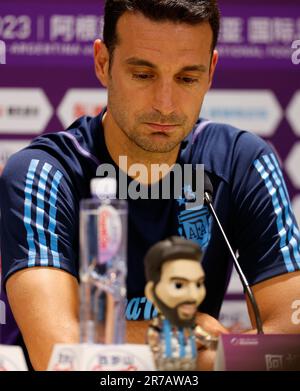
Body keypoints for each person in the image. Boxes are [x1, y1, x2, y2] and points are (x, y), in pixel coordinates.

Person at [0, 0, 299, 371]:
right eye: (143, 74)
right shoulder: (42, 172)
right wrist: (190, 338)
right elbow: (58, 352)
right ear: (103, 63)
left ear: (211, 72)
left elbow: (290, 345)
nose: (165, 104)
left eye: (187, 78)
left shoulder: (242, 162)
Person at [144, 236, 216, 371]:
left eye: (198, 284)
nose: (193, 295)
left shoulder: (192, 327)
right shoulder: (158, 327)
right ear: (151, 292)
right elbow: (152, 345)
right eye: (178, 285)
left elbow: (207, 339)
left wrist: (223, 345)